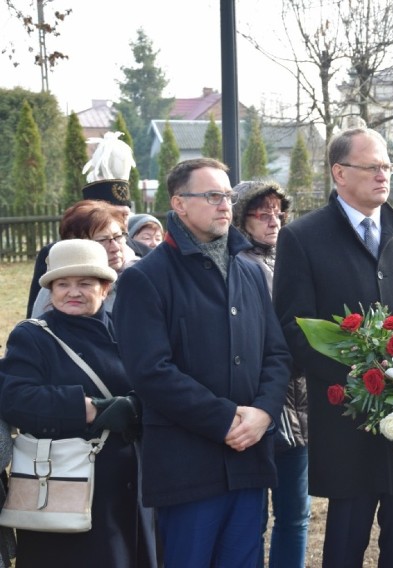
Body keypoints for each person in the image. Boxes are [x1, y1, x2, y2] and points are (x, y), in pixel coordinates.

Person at [273, 126, 393, 568]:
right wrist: (361, 384)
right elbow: (294, 329)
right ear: (340, 173)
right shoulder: (303, 237)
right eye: (372, 166)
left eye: (386, 166)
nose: (383, 175)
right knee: (346, 538)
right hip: (348, 415)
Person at [111, 158, 291, 567]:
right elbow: (150, 372)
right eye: (211, 196)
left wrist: (264, 412)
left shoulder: (248, 271)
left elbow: (276, 354)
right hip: (187, 468)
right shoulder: (147, 278)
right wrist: (226, 419)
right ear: (179, 203)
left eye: (226, 195)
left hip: (248, 461)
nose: (224, 204)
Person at [0, 239, 156, 567]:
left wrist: (135, 406)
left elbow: (157, 382)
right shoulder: (33, 336)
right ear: (51, 289)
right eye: (63, 284)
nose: (73, 292)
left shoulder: (129, 330)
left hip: (128, 487)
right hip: (63, 491)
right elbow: (15, 398)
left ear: (105, 287)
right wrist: (92, 409)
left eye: (85, 283)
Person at [231, 179, 310, 568]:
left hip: (299, 406)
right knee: (253, 516)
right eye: (261, 213)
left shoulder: (291, 258)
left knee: (295, 514)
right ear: (242, 219)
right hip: (258, 402)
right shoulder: (238, 265)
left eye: (278, 212)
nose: (272, 220)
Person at [25, 132, 147, 318]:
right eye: (103, 239)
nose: (114, 246)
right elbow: (37, 315)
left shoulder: (144, 253)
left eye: (125, 215)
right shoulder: (56, 253)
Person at [30, 200, 132, 317]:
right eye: (102, 240)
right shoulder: (55, 290)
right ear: (76, 245)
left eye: (118, 237)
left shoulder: (138, 280)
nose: (115, 247)